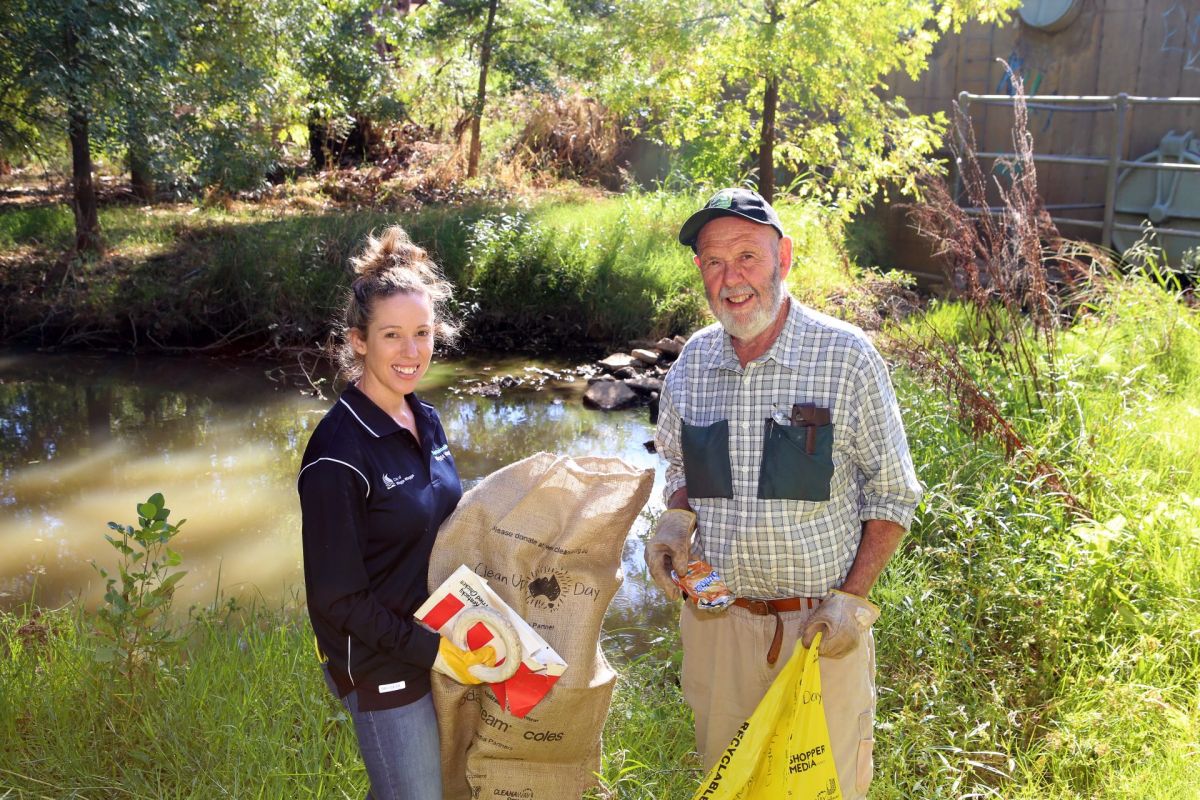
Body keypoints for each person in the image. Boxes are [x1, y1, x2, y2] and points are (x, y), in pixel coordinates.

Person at [647, 188, 923, 799]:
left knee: (822, 789)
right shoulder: (692, 362)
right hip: (715, 617)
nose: (731, 278)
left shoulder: (846, 356)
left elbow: (894, 494)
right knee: (728, 786)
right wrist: (674, 518)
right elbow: (679, 466)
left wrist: (851, 601)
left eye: (748, 256)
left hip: (818, 630)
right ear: (700, 271)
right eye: (714, 262)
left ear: (784, 258)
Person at [298, 226, 496, 800]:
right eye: (393, 336)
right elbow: (335, 598)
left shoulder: (424, 419)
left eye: (423, 333)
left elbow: (438, 520)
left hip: (438, 637)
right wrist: (433, 652)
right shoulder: (338, 453)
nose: (412, 353)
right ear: (359, 341)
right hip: (383, 663)